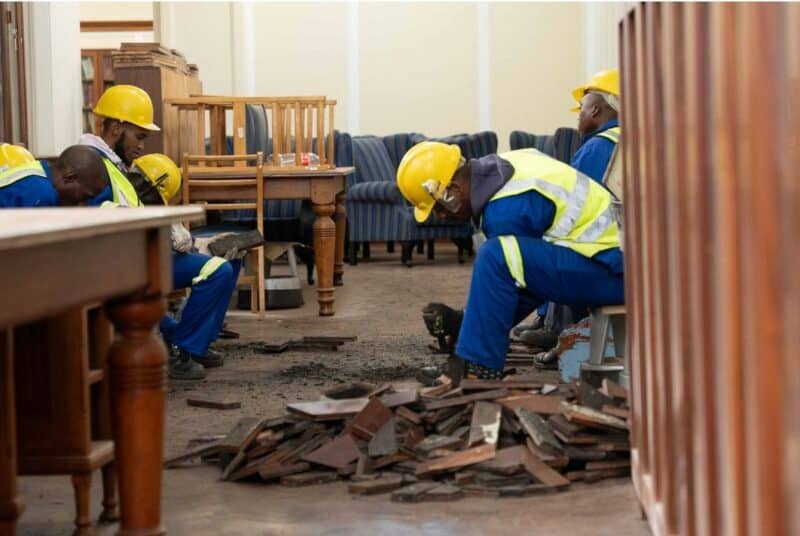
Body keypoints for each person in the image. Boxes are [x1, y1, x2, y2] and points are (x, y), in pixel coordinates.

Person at [399, 141, 623, 383]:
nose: (441, 216)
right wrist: (468, 323)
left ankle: (478, 366)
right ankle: (476, 355)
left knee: (494, 257)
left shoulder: (506, 210)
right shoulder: (505, 168)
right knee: (500, 259)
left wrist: (470, 333)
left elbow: (518, 287)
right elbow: (532, 277)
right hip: (614, 262)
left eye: (438, 207)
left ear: (453, 188)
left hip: (613, 273)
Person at [517, 68, 622, 355]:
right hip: (627, 245)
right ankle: (545, 317)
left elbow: (569, 211)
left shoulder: (596, 148)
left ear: (597, 109)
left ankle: (555, 323)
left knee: (554, 235)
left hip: (601, 251)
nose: (579, 115)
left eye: (583, 109)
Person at [130, 153, 245, 380]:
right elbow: (174, 243)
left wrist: (207, 244)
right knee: (218, 269)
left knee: (231, 260)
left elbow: (182, 243)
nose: (140, 145)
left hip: (163, 256)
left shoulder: (136, 189)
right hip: (145, 263)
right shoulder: (137, 200)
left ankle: (200, 344)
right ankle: (183, 349)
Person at [79, 84, 160, 207]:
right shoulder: (91, 167)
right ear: (116, 128)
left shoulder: (113, 166)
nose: (141, 146)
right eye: (139, 137)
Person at [0, 145, 109, 207]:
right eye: (84, 197)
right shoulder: (42, 194)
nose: (81, 203)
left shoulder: (38, 171)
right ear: (70, 178)